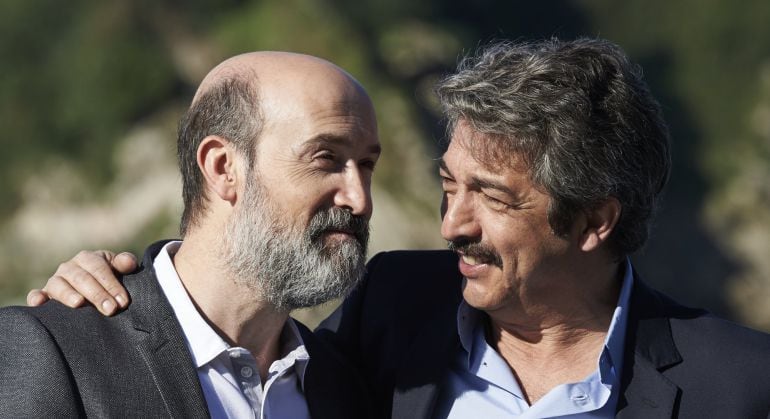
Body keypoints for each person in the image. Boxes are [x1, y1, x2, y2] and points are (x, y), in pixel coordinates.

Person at [28, 38, 770, 418]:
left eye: (491, 197)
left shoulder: (738, 382)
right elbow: (201, 332)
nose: (451, 223)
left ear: (594, 222)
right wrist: (111, 294)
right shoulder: (394, 312)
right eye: (447, 184)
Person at [2, 51, 379, 418]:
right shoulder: (57, 352)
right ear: (222, 167)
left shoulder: (346, 387)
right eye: (325, 159)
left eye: (366, 165)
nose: (359, 199)